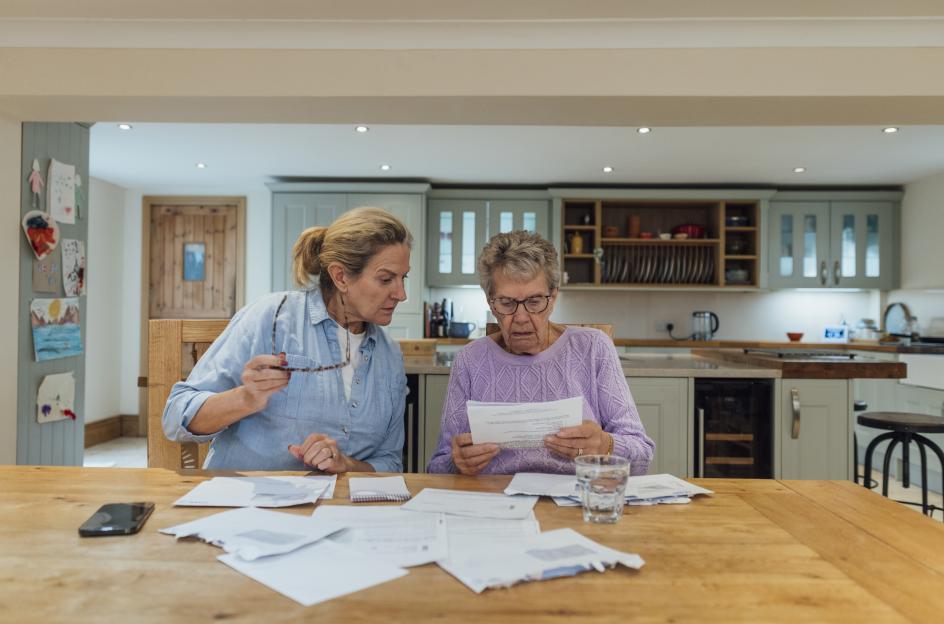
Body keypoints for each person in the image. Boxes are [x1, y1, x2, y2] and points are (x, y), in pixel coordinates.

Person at [163, 207, 411, 472]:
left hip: (336, 509)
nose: (401, 294)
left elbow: (390, 461)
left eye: (403, 278)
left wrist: (346, 464)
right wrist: (245, 398)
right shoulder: (272, 318)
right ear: (340, 276)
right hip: (247, 503)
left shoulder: (389, 355)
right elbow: (175, 416)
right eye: (386, 279)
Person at [427, 230, 654, 476]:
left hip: (574, 499)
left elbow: (642, 456)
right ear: (490, 301)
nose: (521, 318)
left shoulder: (594, 348)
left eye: (535, 302)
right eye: (506, 303)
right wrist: (457, 463)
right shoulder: (470, 360)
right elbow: (437, 467)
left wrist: (606, 444)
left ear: (553, 297)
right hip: (494, 502)